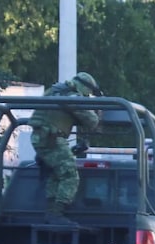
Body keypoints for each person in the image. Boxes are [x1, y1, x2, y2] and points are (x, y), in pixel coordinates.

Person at [29, 72, 102, 225]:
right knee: (70, 175)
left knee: (57, 175)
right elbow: (92, 121)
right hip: (51, 139)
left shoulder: (54, 91)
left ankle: (51, 213)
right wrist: (98, 109)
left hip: (42, 138)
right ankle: (56, 214)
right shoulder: (72, 97)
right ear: (85, 88)